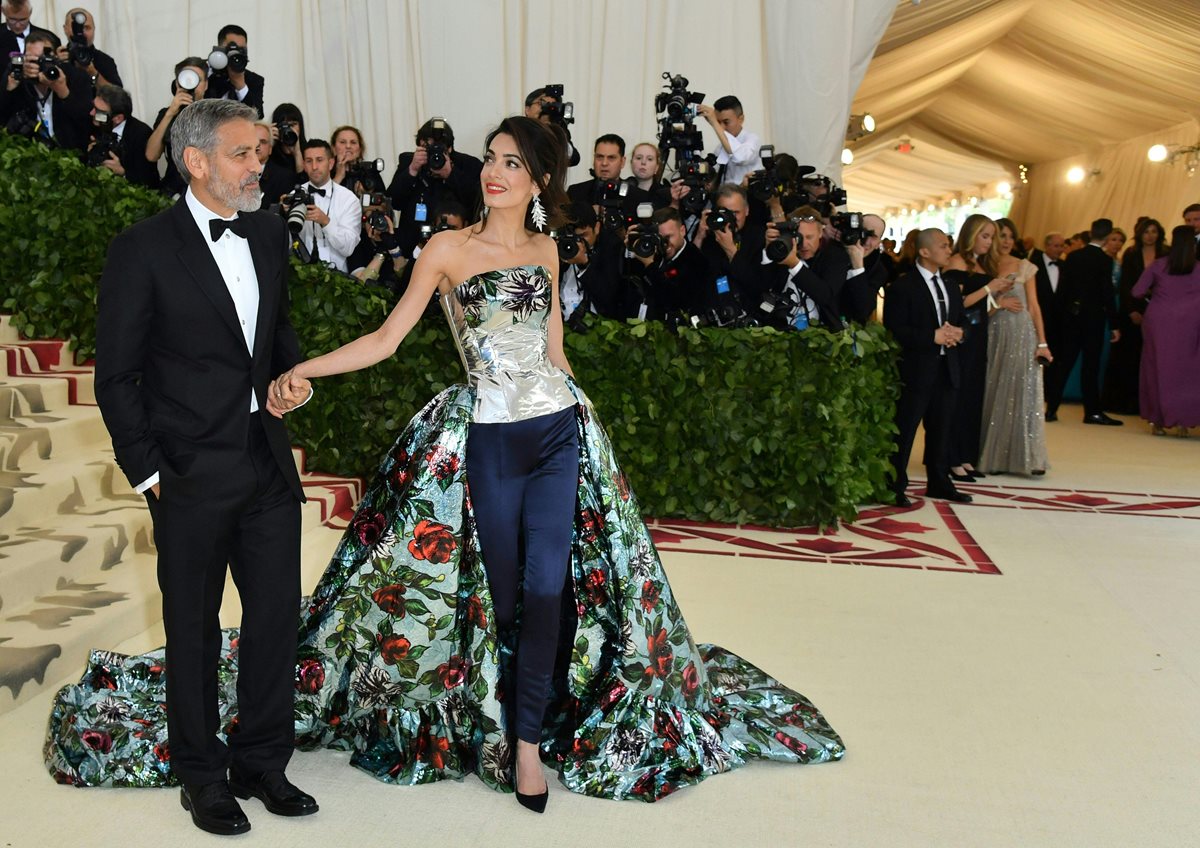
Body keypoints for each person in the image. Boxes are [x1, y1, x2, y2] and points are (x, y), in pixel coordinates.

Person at [45, 115, 846, 810]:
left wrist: (591, 428)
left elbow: (556, 353)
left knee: (547, 585)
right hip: (488, 432)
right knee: (503, 591)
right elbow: (386, 341)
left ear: (536, 181)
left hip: (560, 431)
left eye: (510, 163)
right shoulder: (445, 250)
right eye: (489, 159)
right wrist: (301, 372)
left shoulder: (548, 249)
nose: (492, 173)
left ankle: (527, 742)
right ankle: (483, 722)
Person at [82, 99, 318, 835]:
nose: (260, 165)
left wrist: (293, 373)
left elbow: (273, 330)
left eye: (261, 151)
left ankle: (262, 761)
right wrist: (150, 474)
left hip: (266, 465)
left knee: (276, 616)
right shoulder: (143, 247)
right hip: (185, 472)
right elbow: (115, 375)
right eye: (246, 153)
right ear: (197, 160)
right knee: (193, 627)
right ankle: (201, 775)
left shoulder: (271, 231)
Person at [883, 227, 969, 506]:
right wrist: (931, 336)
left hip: (947, 367)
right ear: (924, 251)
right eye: (944, 246)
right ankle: (894, 485)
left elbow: (961, 319)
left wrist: (959, 333)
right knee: (906, 429)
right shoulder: (903, 286)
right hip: (916, 369)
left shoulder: (950, 286)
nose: (949, 251)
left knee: (941, 428)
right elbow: (894, 329)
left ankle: (939, 481)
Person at [978, 218, 1052, 476]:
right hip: (992, 334)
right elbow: (973, 308)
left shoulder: (1025, 267)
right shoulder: (983, 265)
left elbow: (1034, 306)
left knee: (1023, 391)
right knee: (993, 390)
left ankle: (1028, 457)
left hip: (1022, 335)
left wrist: (1042, 342)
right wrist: (998, 302)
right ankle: (992, 455)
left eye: (1011, 236)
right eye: (1002, 235)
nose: (1007, 241)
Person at [943, 215, 1014, 481]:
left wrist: (997, 294)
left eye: (992, 237)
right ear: (972, 234)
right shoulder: (957, 261)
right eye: (985, 236)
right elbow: (958, 302)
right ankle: (951, 456)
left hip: (980, 332)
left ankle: (965, 455)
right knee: (958, 396)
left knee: (973, 395)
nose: (990, 242)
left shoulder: (983, 264)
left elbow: (981, 304)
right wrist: (989, 288)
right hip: (962, 335)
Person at [1046, 218, 1122, 425]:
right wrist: (1114, 324)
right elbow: (1107, 293)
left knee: (1065, 363)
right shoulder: (1105, 260)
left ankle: (1051, 408)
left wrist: (1060, 316)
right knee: (1091, 366)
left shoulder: (1073, 257)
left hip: (1071, 317)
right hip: (1094, 319)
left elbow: (1063, 289)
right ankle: (1092, 411)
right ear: (1107, 237)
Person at [1134, 226, 1200, 435]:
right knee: (1188, 371)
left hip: (1159, 320)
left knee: (1157, 368)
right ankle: (1184, 422)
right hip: (1191, 320)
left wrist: (1157, 293)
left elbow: (1137, 291)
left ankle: (1158, 422)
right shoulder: (1198, 268)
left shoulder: (1159, 264)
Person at [387, 117, 484, 258]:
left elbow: (477, 201)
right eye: (429, 145)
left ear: (450, 148)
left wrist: (450, 174)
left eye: (440, 146)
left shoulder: (467, 164)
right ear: (420, 144)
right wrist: (412, 170)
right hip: (413, 246)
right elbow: (395, 201)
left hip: (457, 246)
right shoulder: (409, 162)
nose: (434, 152)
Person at [1104, 218, 1166, 415]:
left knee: (1152, 358)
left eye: (1153, 231)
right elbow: (1126, 285)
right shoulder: (1131, 253)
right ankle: (1122, 402)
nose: (1150, 235)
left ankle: (1147, 404)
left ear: (1160, 233)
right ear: (1139, 234)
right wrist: (1131, 310)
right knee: (1128, 357)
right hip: (1133, 311)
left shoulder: (1168, 253)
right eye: (1146, 231)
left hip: (1159, 310)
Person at [0, 31, 91, 151]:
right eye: (31, 59)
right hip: (28, 153)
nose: (37, 65)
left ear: (56, 58)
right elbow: (3, 119)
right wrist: (9, 90)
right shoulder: (19, 79)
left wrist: (63, 92)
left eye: (43, 59)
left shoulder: (76, 77)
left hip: (68, 154)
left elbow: (86, 122)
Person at [286, 138, 361, 272]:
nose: (314, 166)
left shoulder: (348, 199)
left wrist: (325, 221)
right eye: (309, 161)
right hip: (300, 278)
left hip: (339, 281)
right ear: (304, 164)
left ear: (331, 163)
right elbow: (285, 246)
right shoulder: (293, 196)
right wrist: (282, 216)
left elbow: (348, 248)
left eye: (319, 160)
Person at [146, 57, 209, 197]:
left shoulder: (215, 115)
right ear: (177, 83)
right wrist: (170, 113)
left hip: (206, 189)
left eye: (197, 79)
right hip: (172, 190)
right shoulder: (166, 114)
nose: (192, 84)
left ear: (206, 85)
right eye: (187, 78)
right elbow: (151, 155)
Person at [87, 84, 158, 189]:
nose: (91, 113)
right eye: (93, 107)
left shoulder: (140, 134)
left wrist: (122, 172)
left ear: (118, 118)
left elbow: (148, 179)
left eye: (98, 111)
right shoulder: (93, 125)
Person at [698, 95, 762, 187]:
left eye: (726, 122)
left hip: (747, 198)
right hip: (723, 197)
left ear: (741, 119)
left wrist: (714, 124)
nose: (722, 127)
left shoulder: (752, 140)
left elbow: (740, 157)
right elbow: (716, 174)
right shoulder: (720, 148)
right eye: (718, 122)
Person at [204, 24, 265, 118]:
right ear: (220, 48)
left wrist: (241, 86)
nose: (236, 54)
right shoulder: (204, 72)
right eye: (232, 48)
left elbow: (257, 116)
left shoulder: (254, 80)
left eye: (241, 50)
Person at [57, 6, 122, 87]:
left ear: (94, 29)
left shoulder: (104, 60)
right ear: (65, 29)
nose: (82, 33)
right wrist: (57, 65)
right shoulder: (59, 58)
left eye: (87, 28)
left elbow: (118, 97)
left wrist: (93, 73)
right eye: (76, 28)